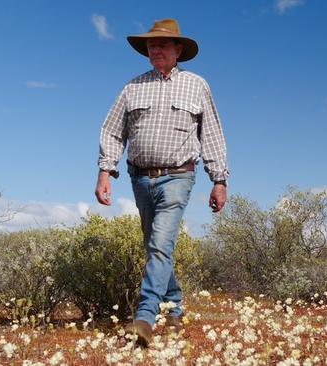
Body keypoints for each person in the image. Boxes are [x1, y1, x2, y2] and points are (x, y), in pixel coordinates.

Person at [95, 18, 229, 346]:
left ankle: (143, 319)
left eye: (162, 45)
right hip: (139, 178)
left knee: (159, 246)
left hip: (179, 177)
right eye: (151, 45)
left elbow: (211, 133)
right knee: (157, 249)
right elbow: (113, 131)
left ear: (178, 50)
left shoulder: (197, 85)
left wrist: (219, 180)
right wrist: (104, 172)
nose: (155, 50)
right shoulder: (132, 87)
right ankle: (175, 311)